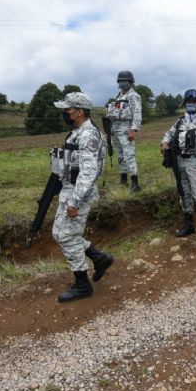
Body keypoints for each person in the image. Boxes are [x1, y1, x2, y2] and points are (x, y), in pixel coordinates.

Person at [52, 92, 115, 302]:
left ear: (79, 112)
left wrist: (75, 201)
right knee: (58, 232)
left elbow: (88, 172)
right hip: (70, 190)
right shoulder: (78, 131)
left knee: (66, 236)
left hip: (78, 193)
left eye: (67, 110)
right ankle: (99, 258)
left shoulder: (87, 135)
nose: (64, 113)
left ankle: (82, 285)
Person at [161, 89, 196, 243]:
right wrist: (164, 143)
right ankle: (189, 225)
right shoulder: (180, 122)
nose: (191, 105)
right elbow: (169, 135)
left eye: (195, 102)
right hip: (179, 162)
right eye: (188, 102)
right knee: (184, 193)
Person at [106, 70, 143, 192]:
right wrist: (110, 129)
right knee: (120, 156)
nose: (122, 83)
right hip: (116, 129)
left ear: (130, 82)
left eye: (124, 81)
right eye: (120, 81)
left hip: (126, 128)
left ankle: (135, 182)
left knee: (129, 156)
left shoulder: (134, 96)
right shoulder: (119, 96)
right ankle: (123, 179)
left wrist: (134, 129)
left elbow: (137, 114)